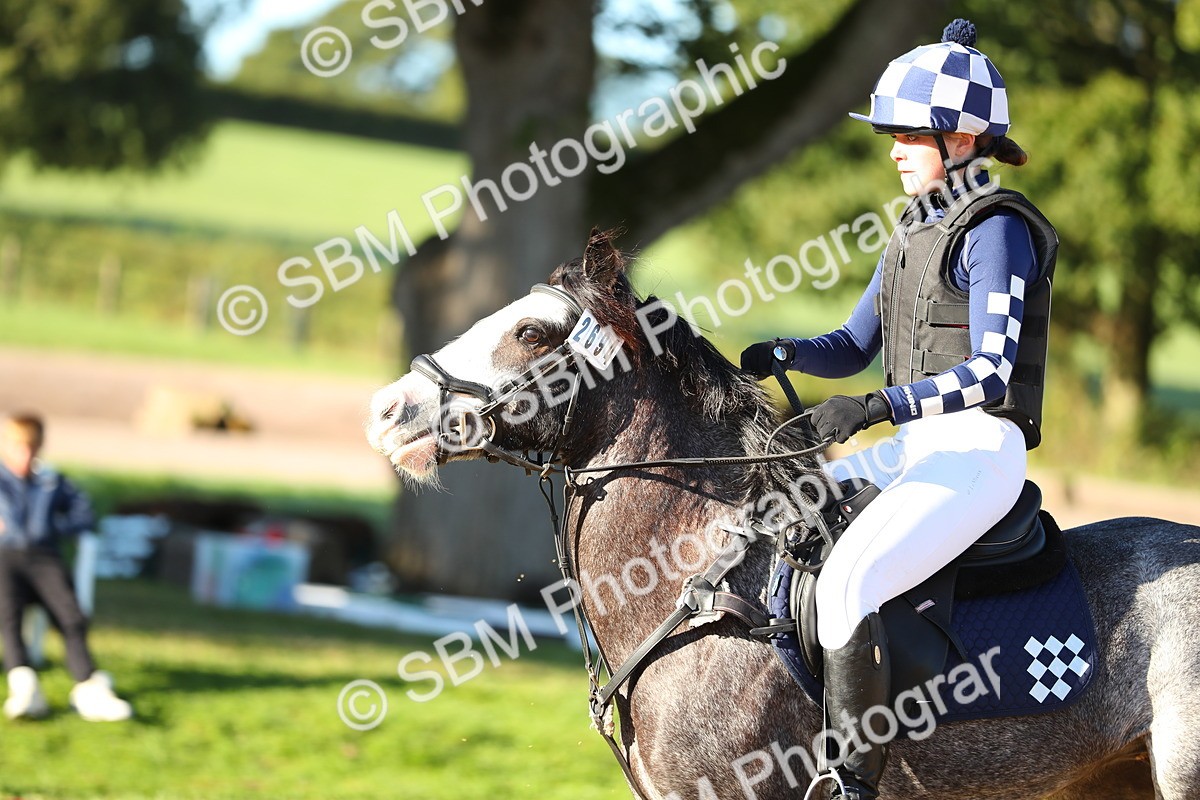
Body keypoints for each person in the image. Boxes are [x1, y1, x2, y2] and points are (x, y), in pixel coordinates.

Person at [740, 19, 1057, 800]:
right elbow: (852, 344)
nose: (894, 149)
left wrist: (875, 406)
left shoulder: (998, 230)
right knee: (787, 534)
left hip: (976, 454)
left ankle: (851, 781)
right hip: (919, 452)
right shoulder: (914, 227)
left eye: (911, 133)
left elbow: (991, 372)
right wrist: (785, 351)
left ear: (964, 139)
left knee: (849, 582)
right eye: (893, 134)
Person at [0, 413, 133, 721]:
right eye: (19, 447)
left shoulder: (52, 481)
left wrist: (53, 528)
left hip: (45, 558)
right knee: (9, 613)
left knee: (71, 616)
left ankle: (87, 683)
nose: (25, 456)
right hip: (5, 557)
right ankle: (24, 684)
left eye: (31, 448)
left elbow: (84, 514)